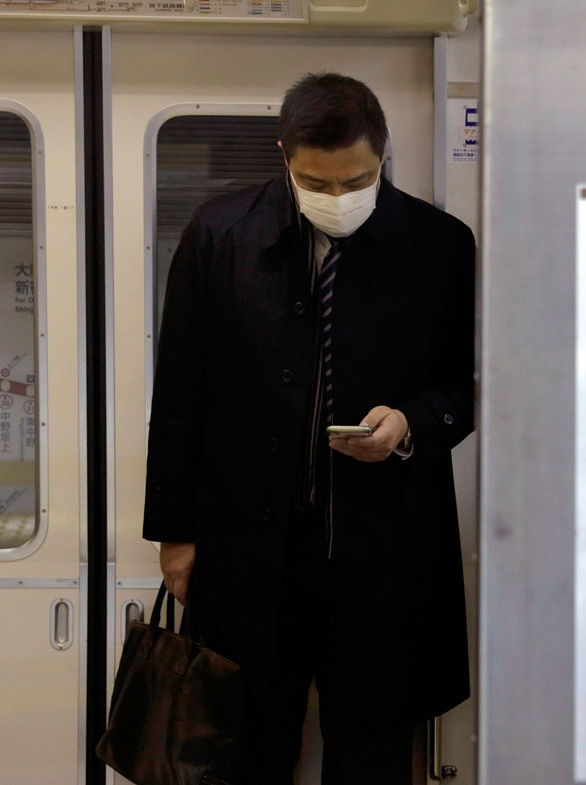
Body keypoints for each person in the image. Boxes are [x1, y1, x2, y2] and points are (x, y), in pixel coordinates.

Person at [141, 73, 475, 783]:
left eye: (354, 180)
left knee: (373, 748)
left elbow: (463, 386)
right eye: (313, 182)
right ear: (285, 157)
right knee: (245, 744)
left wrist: (411, 421)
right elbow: (179, 393)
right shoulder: (220, 235)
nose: (335, 198)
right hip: (250, 548)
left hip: (384, 550)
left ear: (382, 155)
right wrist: (175, 532)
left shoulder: (440, 245)